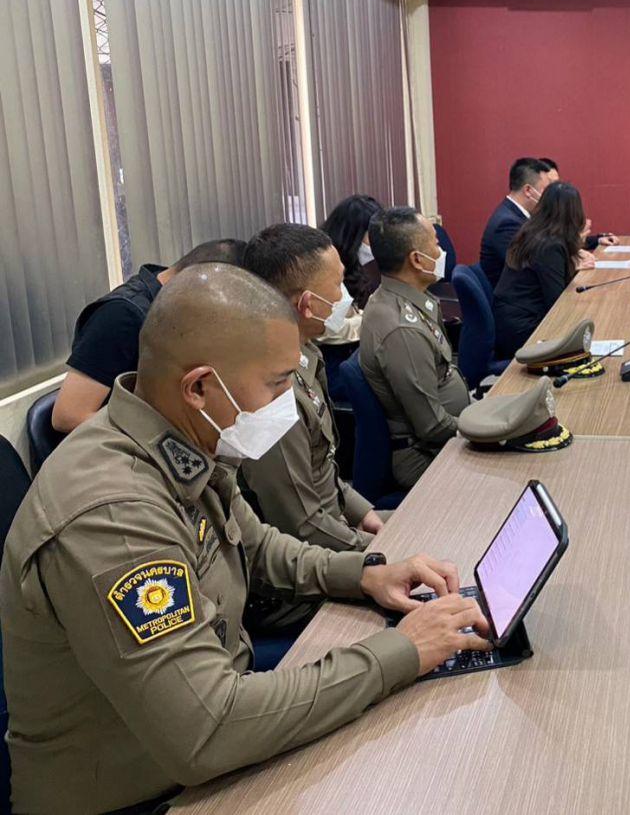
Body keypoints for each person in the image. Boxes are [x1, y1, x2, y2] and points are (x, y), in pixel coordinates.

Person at [0, 265, 490, 814]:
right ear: (200, 387)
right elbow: (208, 729)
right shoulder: (114, 517)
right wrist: (403, 651)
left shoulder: (182, 438)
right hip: (144, 795)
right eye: (277, 384)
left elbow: (255, 546)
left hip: (202, 746)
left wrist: (366, 574)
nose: (286, 401)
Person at [239, 224, 381, 559]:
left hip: (338, 526)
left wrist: (363, 513)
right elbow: (300, 525)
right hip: (314, 559)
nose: (344, 297)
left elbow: (322, 466)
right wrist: (376, 549)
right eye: (337, 285)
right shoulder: (272, 393)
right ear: (307, 304)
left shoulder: (305, 353)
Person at [52, 238, 246, 433]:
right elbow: (68, 416)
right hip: (117, 445)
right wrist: (163, 433)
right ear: (205, 284)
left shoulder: (174, 305)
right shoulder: (121, 316)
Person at [360, 207, 472, 490]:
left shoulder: (410, 298)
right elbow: (433, 426)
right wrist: (487, 430)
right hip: (427, 454)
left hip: (446, 437)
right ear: (417, 259)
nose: (441, 251)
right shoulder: (402, 329)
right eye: (435, 243)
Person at [493, 182, 585, 360]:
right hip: (523, 328)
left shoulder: (533, 231)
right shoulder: (549, 245)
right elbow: (556, 303)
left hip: (511, 318)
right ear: (574, 214)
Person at [479, 157, 557, 290]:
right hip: (516, 297)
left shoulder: (519, 215)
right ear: (528, 190)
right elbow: (531, 266)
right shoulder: (507, 224)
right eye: (544, 190)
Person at [321, 193, 383, 310]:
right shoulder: (325, 271)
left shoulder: (381, 268)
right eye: (373, 235)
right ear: (351, 237)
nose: (379, 241)